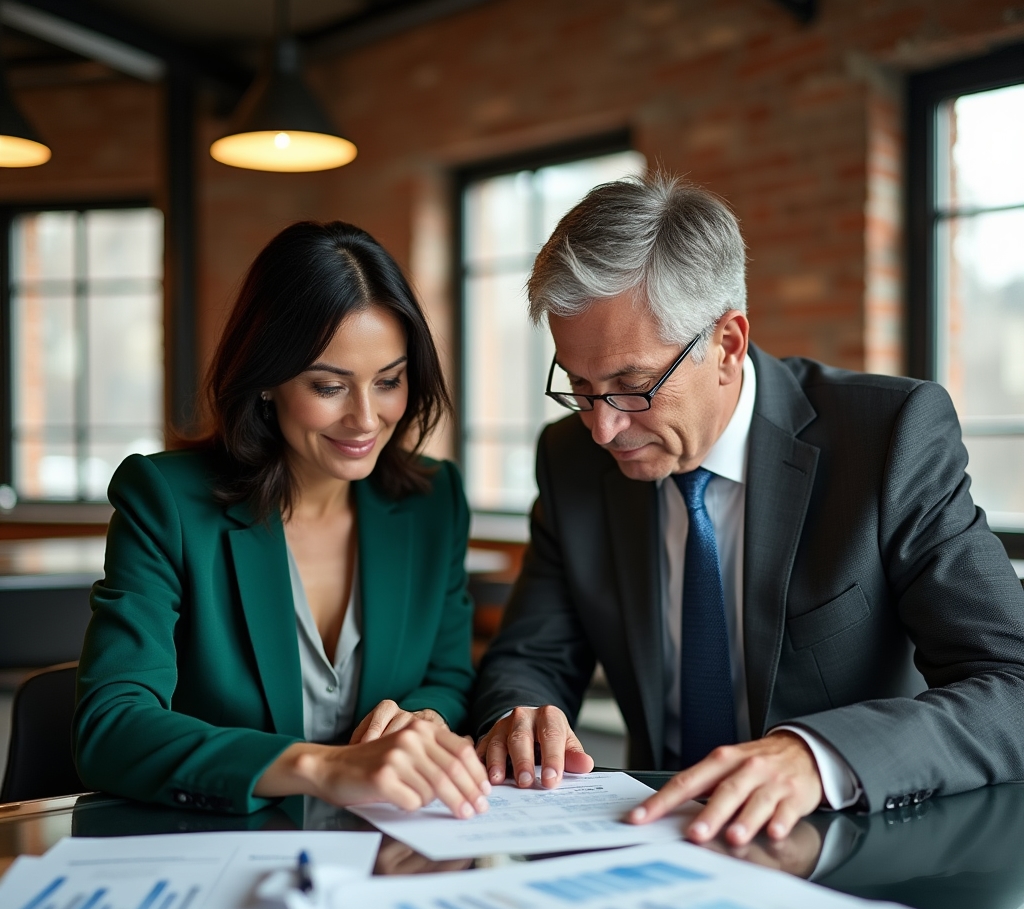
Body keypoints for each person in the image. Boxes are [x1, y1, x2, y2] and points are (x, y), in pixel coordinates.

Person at [472, 174, 1024, 845]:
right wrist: (522, 717)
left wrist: (817, 758)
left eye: (633, 387)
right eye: (581, 389)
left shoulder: (887, 437)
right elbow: (530, 658)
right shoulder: (570, 460)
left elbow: (1011, 685)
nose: (603, 430)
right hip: (652, 850)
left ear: (728, 344)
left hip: (858, 862)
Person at [75, 221, 490, 819]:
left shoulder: (434, 500)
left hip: (386, 850)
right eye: (329, 386)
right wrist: (320, 767)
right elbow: (110, 727)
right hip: (212, 852)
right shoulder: (163, 499)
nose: (366, 419)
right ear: (268, 381)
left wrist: (420, 721)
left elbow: (449, 678)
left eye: (389, 381)